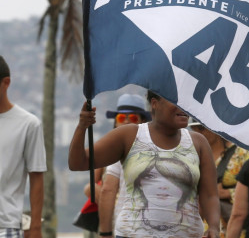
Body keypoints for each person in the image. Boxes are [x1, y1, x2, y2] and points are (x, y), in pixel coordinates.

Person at [68, 90, 220, 238]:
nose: (184, 106)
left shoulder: (199, 143)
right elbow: (78, 162)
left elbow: (210, 194)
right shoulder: (130, 136)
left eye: (186, 101)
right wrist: (82, 127)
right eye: (176, 101)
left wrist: (213, 227)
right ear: (155, 103)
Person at [0, 55, 46, 238]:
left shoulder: (28, 124)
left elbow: (37, 176)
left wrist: (35, 227)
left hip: (6, 226)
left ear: (6, 83)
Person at [97, 93, 151, 237]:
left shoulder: (118, 149)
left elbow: (108, 190)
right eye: (121, 118)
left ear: (143, 121)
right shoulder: (113, 149)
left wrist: (105, 232)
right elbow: (103, 188)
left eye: (132, 118)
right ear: (115, 122)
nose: (126, 122)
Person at [188, 118, 249, 238]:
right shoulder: (189, 158)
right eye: (194, 129)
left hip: (235, 231)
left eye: (202, 128)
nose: (198, 133)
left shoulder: (242, 154)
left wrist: (227, 193)